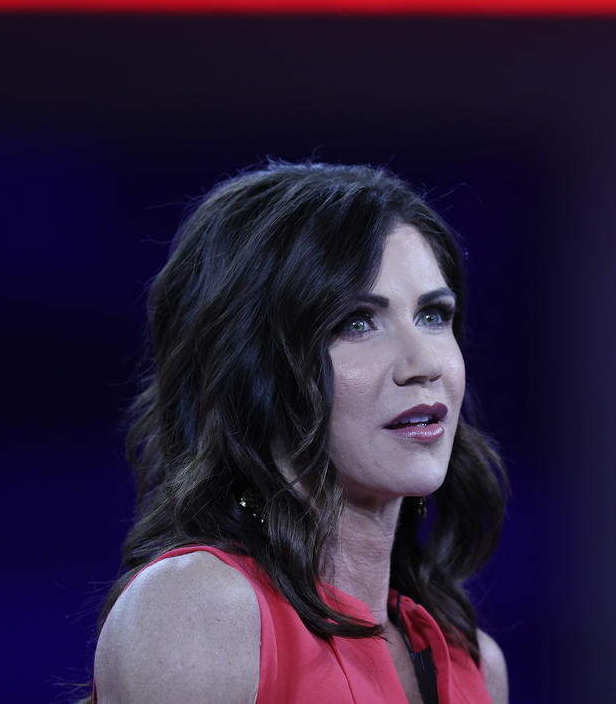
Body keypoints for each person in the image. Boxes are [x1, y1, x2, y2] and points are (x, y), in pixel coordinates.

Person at [89, 162, 509, 704]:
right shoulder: (199, 613)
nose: (423, 362)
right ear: (253, 367)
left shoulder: (475, 663)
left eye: (433, 315)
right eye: (356, 321)